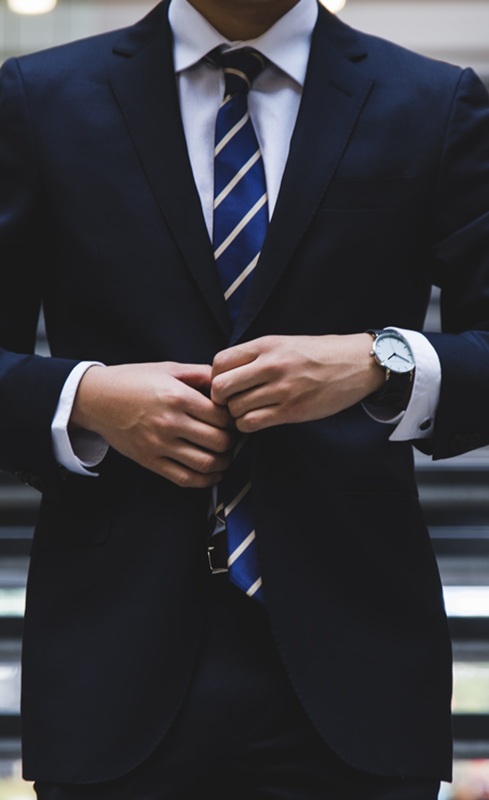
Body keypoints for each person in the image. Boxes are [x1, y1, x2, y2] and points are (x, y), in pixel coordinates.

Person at [0, 0, 488, 797]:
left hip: (356, 664)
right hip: (113, 660)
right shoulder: (38, 96)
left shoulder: (431, 101)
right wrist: (83, 396)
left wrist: (379, 360)